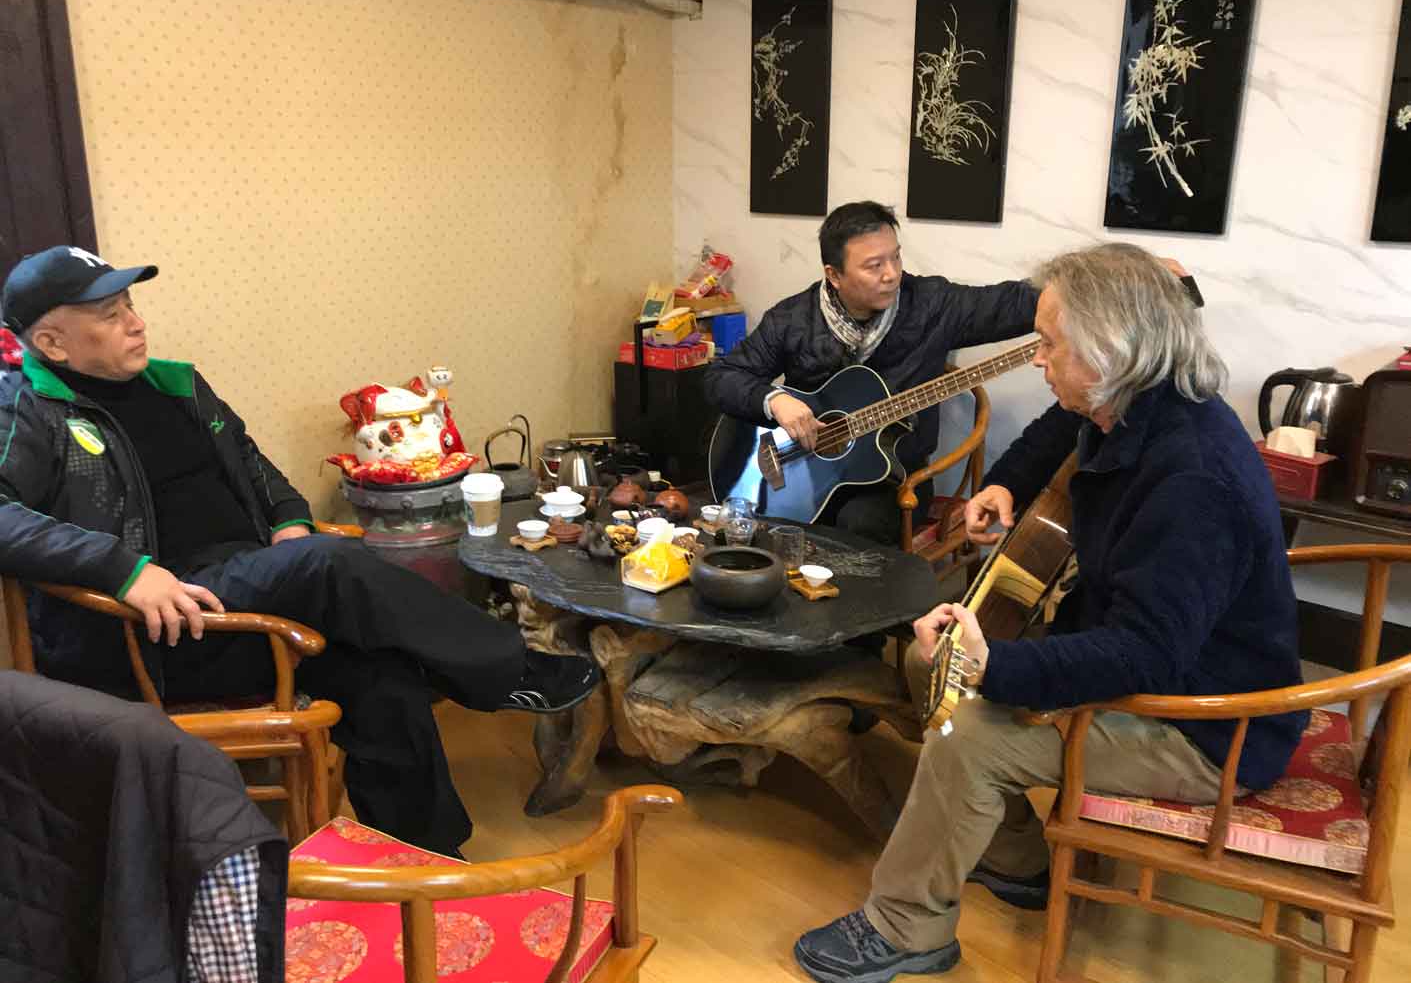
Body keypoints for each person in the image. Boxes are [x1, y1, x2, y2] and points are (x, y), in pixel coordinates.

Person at [792, 243, 1306, 982]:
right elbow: (1053, 434)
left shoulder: (1193, 480)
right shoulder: (1135, 403)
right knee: (923, 661)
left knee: (967, 730)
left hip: (1207, 725)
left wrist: (995, 662)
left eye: (1049, 343)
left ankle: (908, 930)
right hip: (1147, 664)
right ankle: (1018, 860)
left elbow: (1146, 656)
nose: (1037, 358)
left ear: (1109, 351)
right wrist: (1001, 484)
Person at [0, 245, 602, 858]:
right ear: (52, 343)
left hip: (249, 598)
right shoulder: (27, 409)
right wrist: (121, 571)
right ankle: (507, 669)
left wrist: (289, 520)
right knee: (326, 561)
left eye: (130, 303)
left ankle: (426, 863)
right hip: (154, 630)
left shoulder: (176, 385)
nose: (135, 321)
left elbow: (255, 467)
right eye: (107, 313)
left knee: (383, 681)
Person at [703, 201, 1038, 544]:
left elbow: (1008, 304)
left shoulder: (932, 305)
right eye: (874, 265)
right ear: (834, 275)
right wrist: (774, 400)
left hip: (896, 481)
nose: (892, 274)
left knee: (856, 527)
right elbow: (722, 378)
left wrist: (1072, 296)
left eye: (895, 257)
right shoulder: (791, 319)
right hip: (801, 474)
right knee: (765, 533)